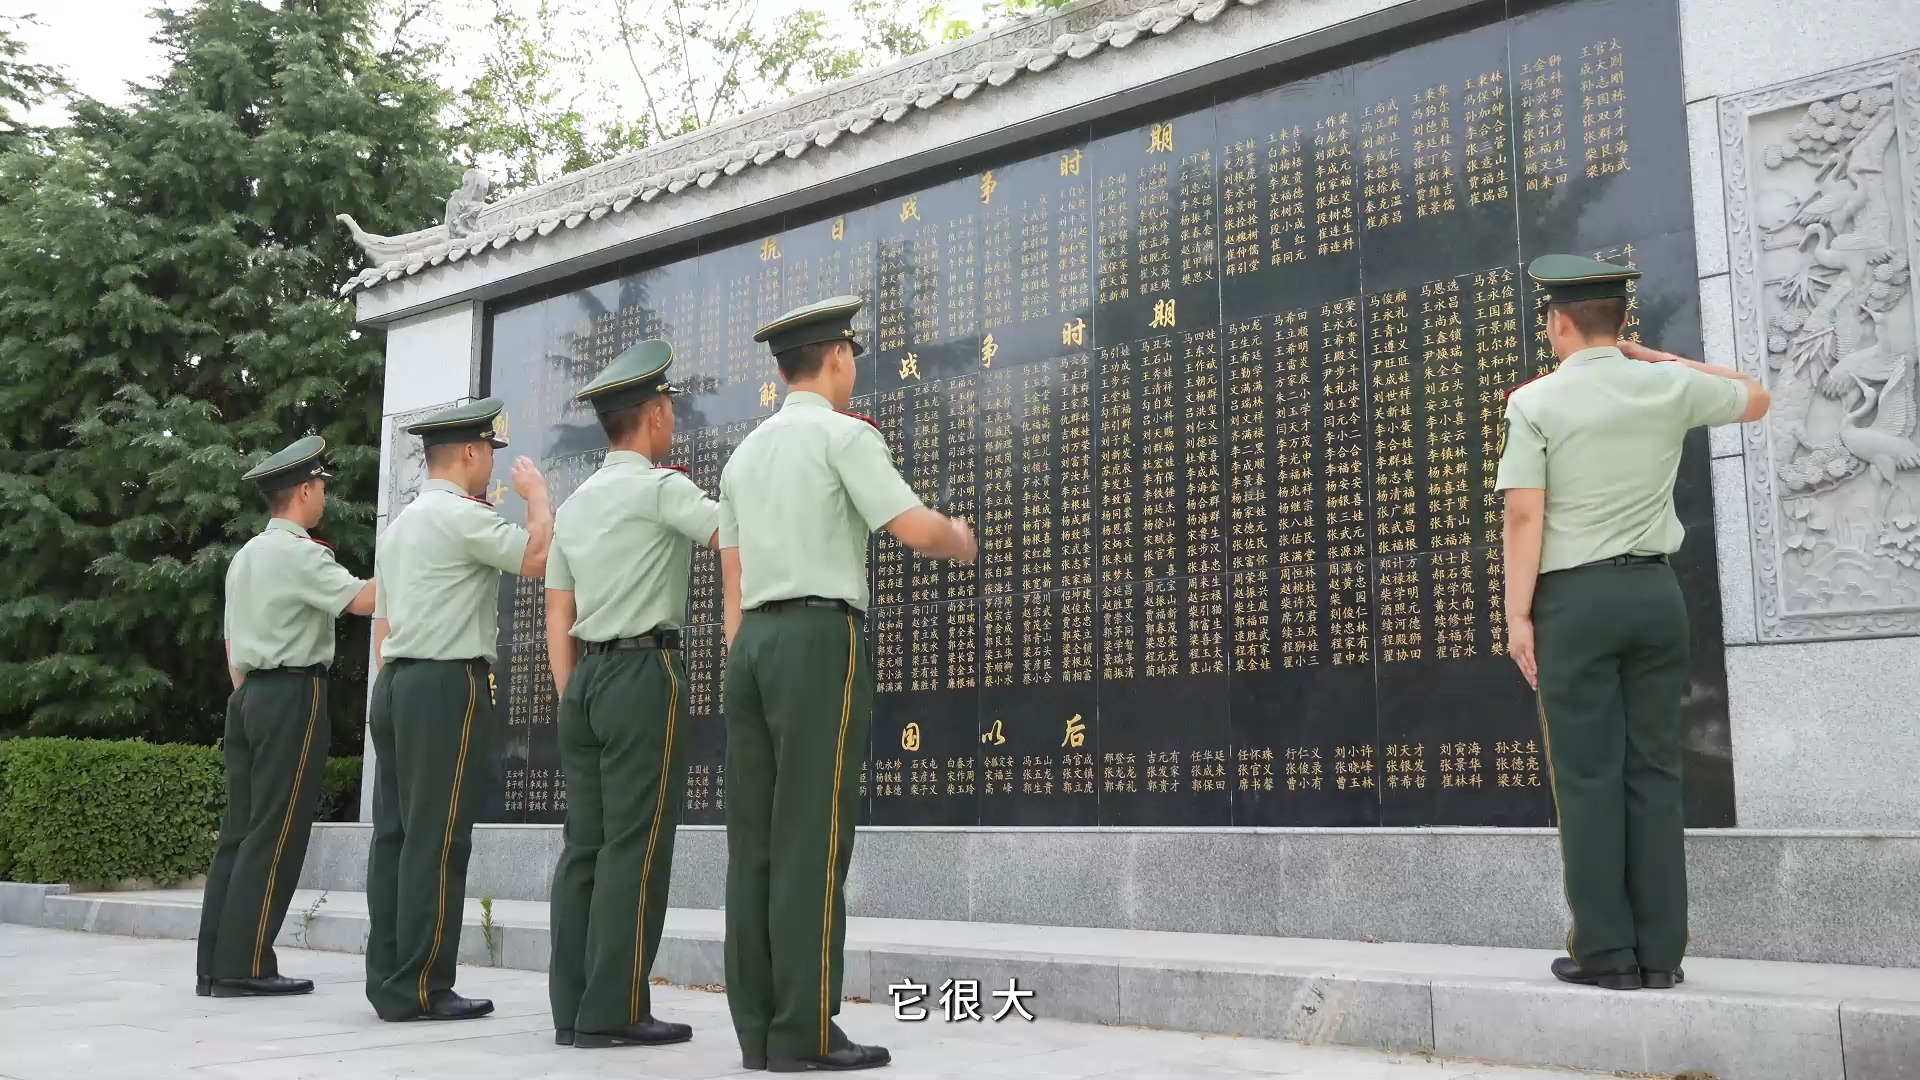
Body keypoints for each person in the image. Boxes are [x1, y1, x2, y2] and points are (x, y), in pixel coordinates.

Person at [1496, 254, 1770, 991]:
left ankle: (1607, 955)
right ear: (1622, 324)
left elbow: (1525, 512)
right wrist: (1659, 358)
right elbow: (1755, 396)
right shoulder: (1668, 386)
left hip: (1574, 603)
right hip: (1655, 597)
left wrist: (1518, 614)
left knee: (1588, 775)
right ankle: (1661, 955)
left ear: (1558, 321)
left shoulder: (1535, 402)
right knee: (1655, 771)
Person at [720, 296, 977, 1073]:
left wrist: (748, 654)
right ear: (835, 357)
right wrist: (959, 536)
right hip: (816, 640)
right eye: (852, 354)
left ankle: (760, 1031)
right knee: (814, 836)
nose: (854, 367)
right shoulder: (842, 438)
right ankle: (806, 1031)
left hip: (751, 646)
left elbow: (730, 581)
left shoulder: (743, 455)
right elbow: (909, 526)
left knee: (756, 844)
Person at [546, 340, 718, 1050]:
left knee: (584, 846)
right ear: (651, 415)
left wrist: (571, 692)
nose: (672, 418)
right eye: (668, 408)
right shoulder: (661, 489)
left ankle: (574, 1005)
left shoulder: (576, 504)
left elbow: (559, 605)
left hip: (585, 680)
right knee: (638, 845)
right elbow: (728, 532)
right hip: (645, 675)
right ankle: (615, 1009)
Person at [364, 398, 552, 1022]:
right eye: (491, 455)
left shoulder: (402, 526)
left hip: (394, 685)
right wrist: (538, 497)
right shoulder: (461, 518)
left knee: (394, 836)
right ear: (470, 453)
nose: (494, 468)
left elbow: (382, 627)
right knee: (439, 839)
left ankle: (390, 979)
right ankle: (425, 984)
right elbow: (534, 558)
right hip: (445, 687)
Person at [198, 435, 375, 999]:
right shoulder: (300, 554)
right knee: (276, 833)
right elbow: (362, 600)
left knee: (240, 832)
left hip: (247, 698)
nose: (323, 494)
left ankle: (215, 965)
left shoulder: (246, 556)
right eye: (321, 485)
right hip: (291, 696)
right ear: (304, 490)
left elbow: (232, 647)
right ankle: (247, 965)